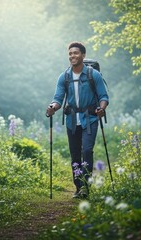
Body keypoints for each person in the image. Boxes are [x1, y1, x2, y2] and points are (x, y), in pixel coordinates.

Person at [46, 41, 109, 198]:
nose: (72, 56)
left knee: (87, 150)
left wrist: (102, 108)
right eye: (70, 53)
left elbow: (103, 96)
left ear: (83, 55)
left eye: (75, 53)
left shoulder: (93, 75)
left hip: (90, 119)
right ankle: (78, 186)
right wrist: (53, 107)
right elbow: (58, 98)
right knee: (75, 155)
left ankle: (85, 186)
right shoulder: (64, 77)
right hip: (72, 121)